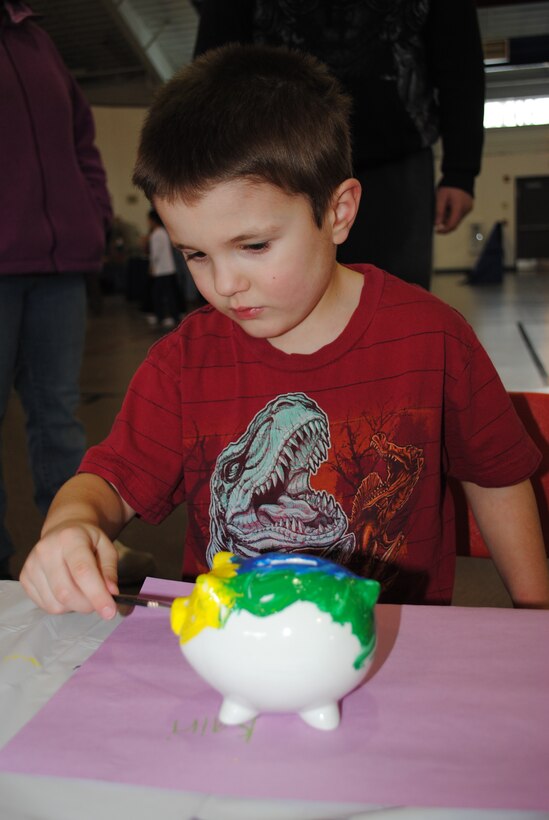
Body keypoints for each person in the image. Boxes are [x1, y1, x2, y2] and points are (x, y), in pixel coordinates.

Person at [19, 44, 549, 618]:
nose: (225, 284)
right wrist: (72, 525)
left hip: (395, 654)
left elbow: (496, 480)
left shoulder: (433, 338)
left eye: (252, 246)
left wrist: (537, 613)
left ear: (338, 212)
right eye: (195, 254)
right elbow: (108, 483)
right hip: (236, 650)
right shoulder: (182, 363)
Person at [0, 1, 153, 583]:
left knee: (58, 417)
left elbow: (81, 137)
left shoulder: (38, 41)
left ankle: (81, 556)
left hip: (60, 264)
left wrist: (94, 214)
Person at [193, 0, 485, 290]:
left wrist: (461, 170)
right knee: (278, 291)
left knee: (396, 300)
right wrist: (207, 168)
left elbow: (460, 62)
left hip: (397, 159)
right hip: (275, 160)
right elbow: (215, 64)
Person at [146, 208, 182, 329]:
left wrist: (151, 266)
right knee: (169, 293)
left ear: (152, 220)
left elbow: (155, 254)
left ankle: (162, 316)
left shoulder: (156, 234)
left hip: (161, 270)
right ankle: (173, 315)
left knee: (159, 294)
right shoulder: (164, 232)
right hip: (168, 268)